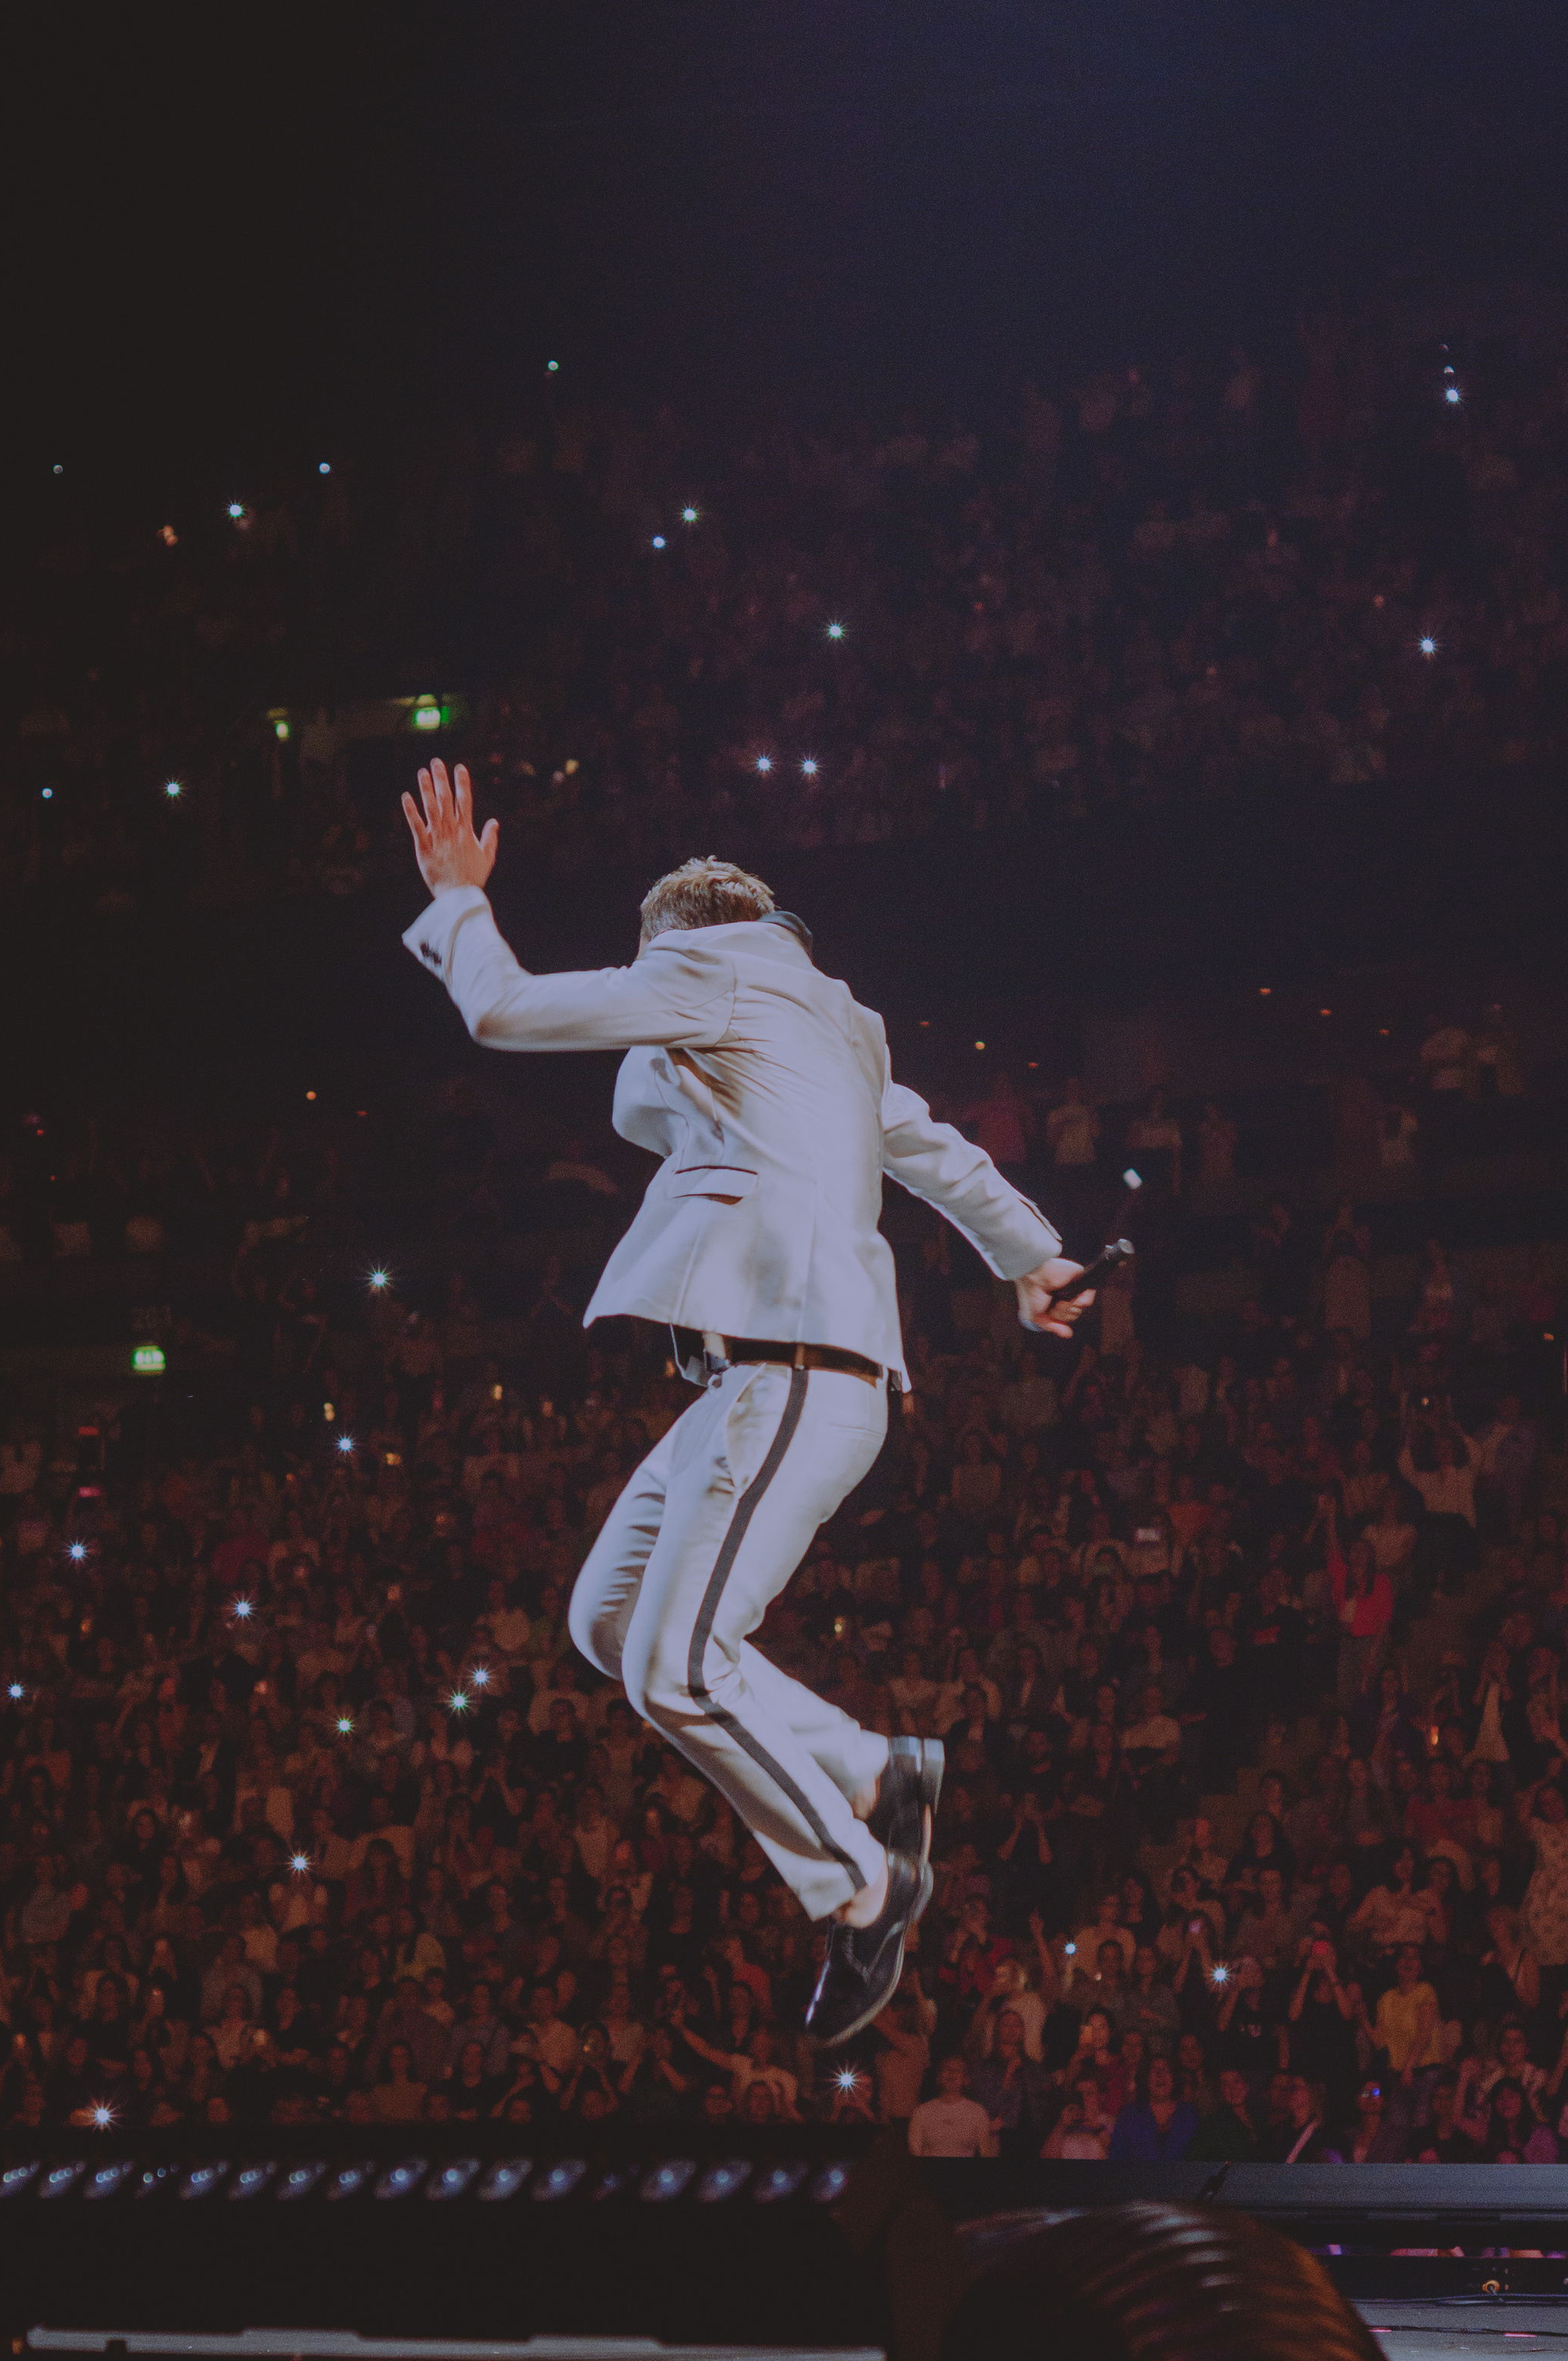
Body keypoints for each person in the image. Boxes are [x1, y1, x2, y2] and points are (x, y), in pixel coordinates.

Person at [400, 766, 1088, 2044]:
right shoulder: (835, 1027)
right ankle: (876, 1766)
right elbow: (925, 1145)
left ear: (683, 944)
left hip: (794, 1369)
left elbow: (503, 1016)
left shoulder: (715, 970)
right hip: (751, 1384)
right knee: (605, 1620)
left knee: (671, 1672)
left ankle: (865, 1883)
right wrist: (1033, 1255)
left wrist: (458, 904)